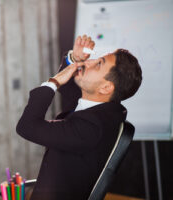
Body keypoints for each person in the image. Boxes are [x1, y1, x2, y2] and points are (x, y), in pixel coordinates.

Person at [16, 34, 142, 200]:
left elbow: (27, 127)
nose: (86, 62)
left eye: (98, 64)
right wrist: (74, 58)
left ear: (105, 87)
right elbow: (70, 89)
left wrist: (53, 82)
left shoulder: (91, 128)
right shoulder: (103, 110)